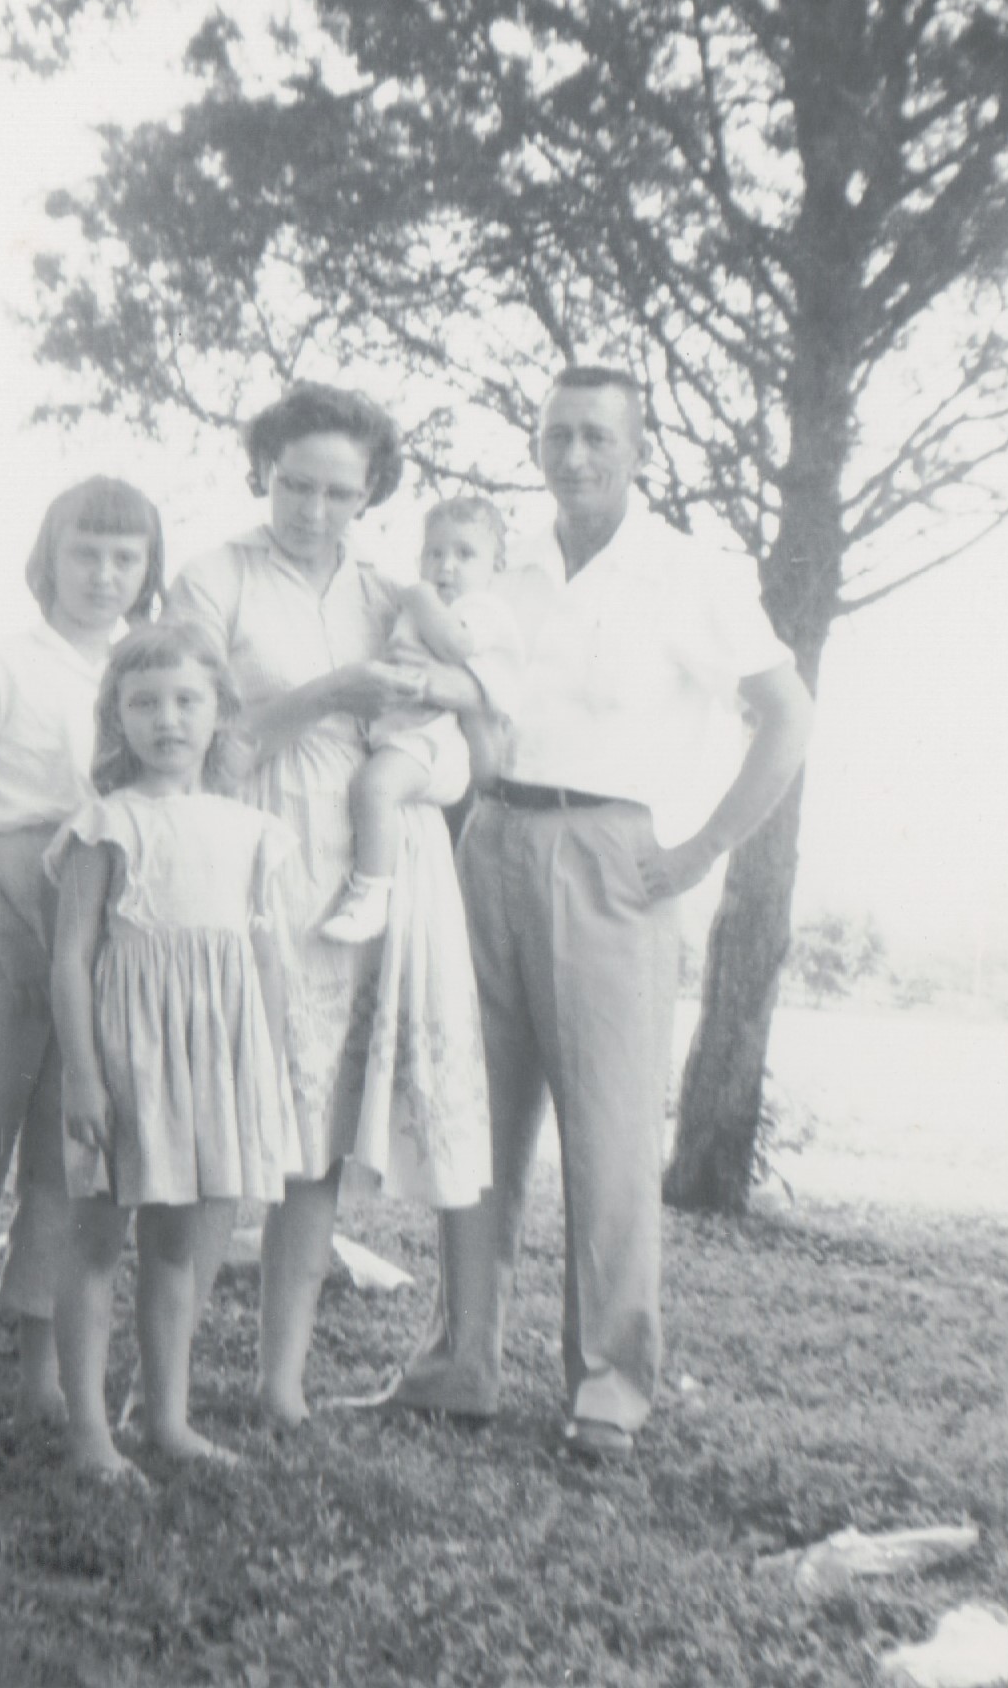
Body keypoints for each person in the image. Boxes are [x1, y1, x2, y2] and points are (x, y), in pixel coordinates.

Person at [387, 365, 815, 1461]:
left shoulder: (685, 572)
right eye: (555, 435)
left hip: (613, 856)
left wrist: (702, 847)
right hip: (489, 837)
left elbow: (782, 716)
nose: (573, 455)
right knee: (472, 1116)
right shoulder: (506, 570)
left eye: (596, 436)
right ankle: (459, 1363)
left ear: (636, 447)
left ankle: (609, 1389)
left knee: (611, 1135)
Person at [167, 383, 494, 1429]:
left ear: (371, 494)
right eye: (295, 483)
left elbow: (475, 712)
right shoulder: (211, 577)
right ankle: (161, 1384)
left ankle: (279, 1382)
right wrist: (330, 695)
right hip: (245, 862)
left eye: (340, 492)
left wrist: (434, 711)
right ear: (262, 467)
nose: (314, 509)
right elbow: (201, 738)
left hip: (352, 881)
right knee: (224, 1134)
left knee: (313, 1150)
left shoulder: (392, 594)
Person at [0, 476, 164, 1428]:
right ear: (48, 560)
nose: (103, 575)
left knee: (70, 1157)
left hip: (103, 911)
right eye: (85, 554)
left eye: (125, 557)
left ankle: (40, 1376)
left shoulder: (145, 669)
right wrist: (1, 926)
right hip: (7, 897)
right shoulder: (1, 664)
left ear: (148, 569)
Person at [47, 623, 299, 1475]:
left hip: (212, 1063)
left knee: (178, 1248)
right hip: (126, 1061)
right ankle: (88, 1433)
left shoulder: (249, 829)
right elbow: (72, 958)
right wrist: (83, 1074)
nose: (168, 719)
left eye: (188, 701)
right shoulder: (107, 822)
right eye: (145, 702)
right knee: (94, 1241)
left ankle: (168, 1421)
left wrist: (260, 1073)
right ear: (117, 718)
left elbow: (261, 958)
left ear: (220, 713)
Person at [322, 496, 521, 943]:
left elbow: (456, 645)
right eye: (435, 553)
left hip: (437, 745)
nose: (446, 566)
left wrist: (418, 596)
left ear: (497, 565)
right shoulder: (425, 605)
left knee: (374, 786)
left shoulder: (483, 609)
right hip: (408, 736)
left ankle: (372, 893)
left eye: (464, 554)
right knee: (369, 788)